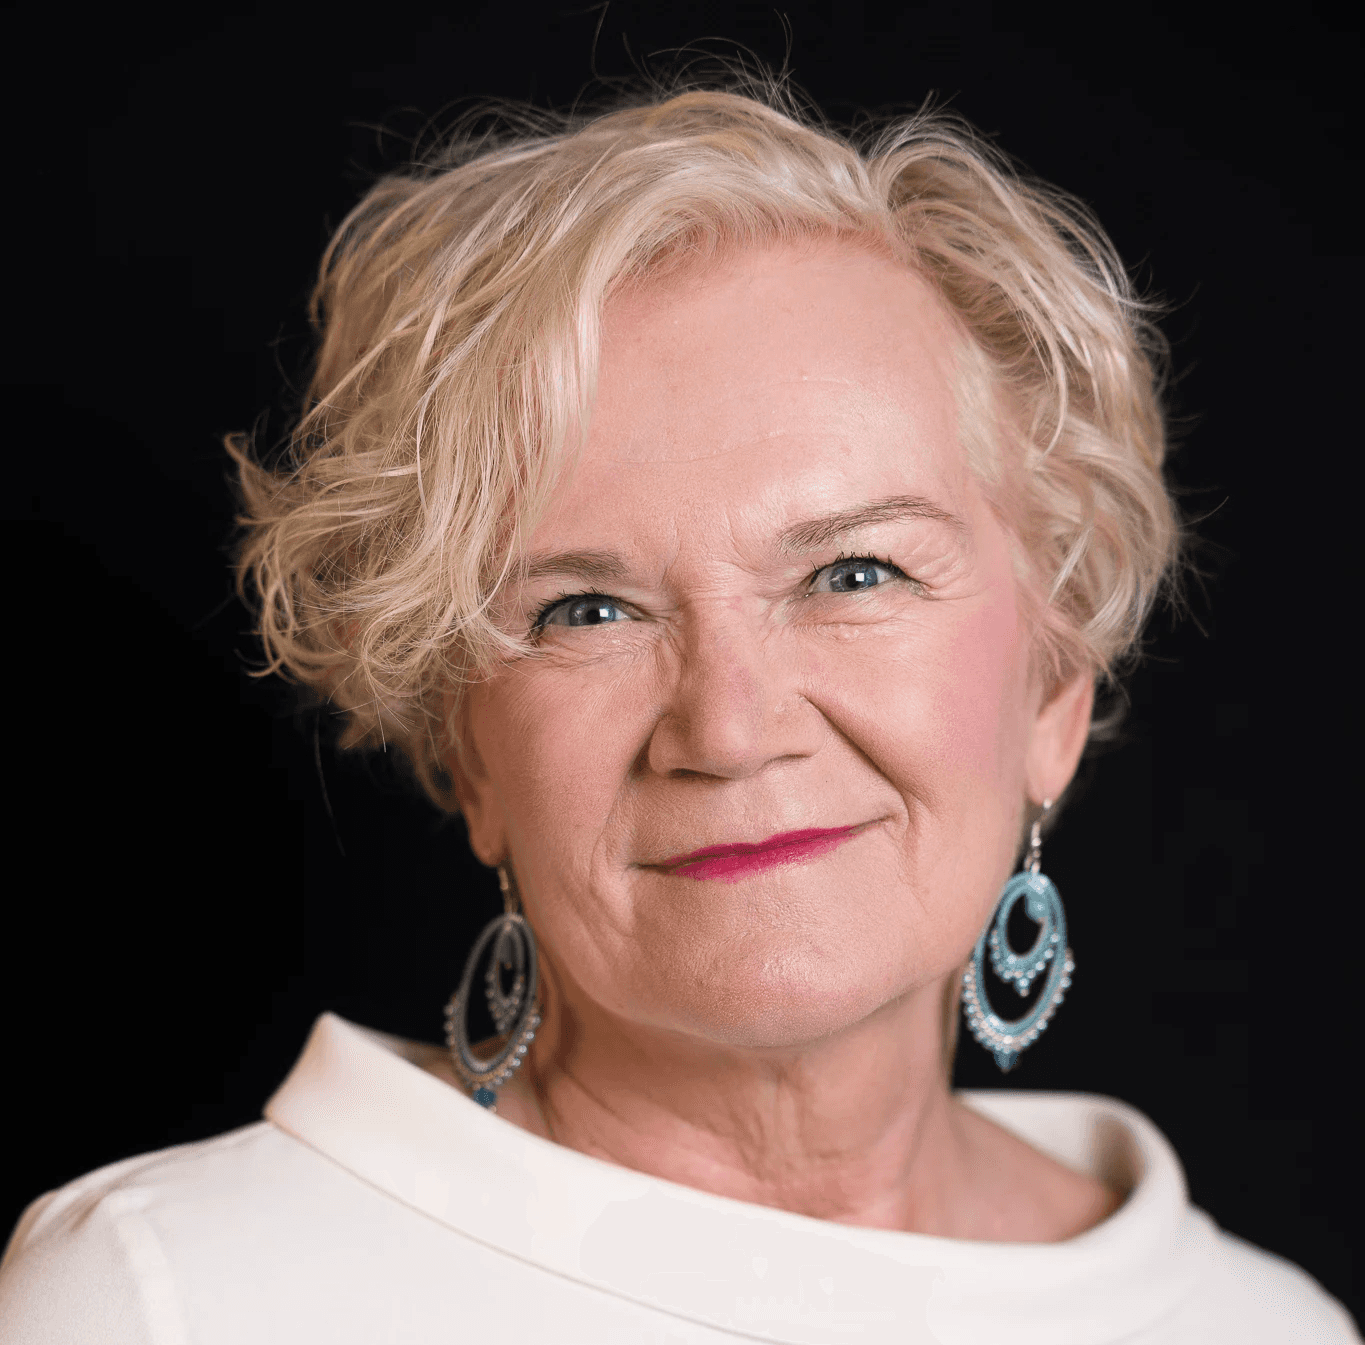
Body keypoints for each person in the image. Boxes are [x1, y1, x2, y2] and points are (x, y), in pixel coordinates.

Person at [1, 82, 1356, 1344]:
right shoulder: (163, 1300)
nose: (729, 728)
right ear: (470, 757)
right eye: (586, 610)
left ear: (1055, 690)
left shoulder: (1258, 1327)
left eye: (854, 573)